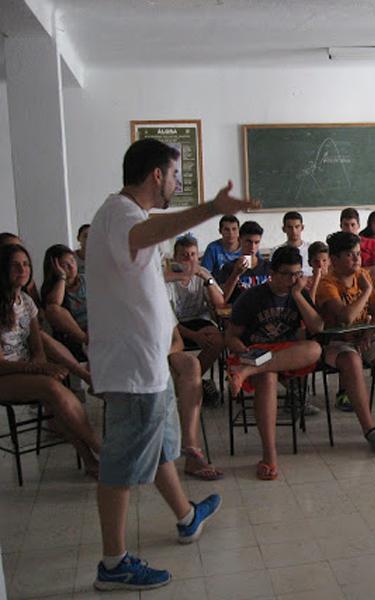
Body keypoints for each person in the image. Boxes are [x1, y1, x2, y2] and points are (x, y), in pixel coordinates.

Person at [87, 138, 255, 590]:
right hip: (133, 366)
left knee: (160, 445)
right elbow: (146, 237)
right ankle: (113, 562)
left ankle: (185, 516)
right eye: (176, 176)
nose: (177, 185)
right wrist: (210, 208)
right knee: (122, 462)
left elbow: (135, 268)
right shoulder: (124, 214)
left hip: (150, 362)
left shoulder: (123, 215)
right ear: (156, 175)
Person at [0, 243, 101, 477]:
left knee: (53, 386)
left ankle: (92, 462)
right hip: (5, 375)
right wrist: (40, 369)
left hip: (26, 370)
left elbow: (37, 346)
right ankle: (101, 451)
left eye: (25, 264)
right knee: (53, 389)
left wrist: (40, 366)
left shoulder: (26, 301)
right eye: (15, 265)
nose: (22, 269)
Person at [224, 246, 323, 480]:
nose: (293, 279)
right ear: (272, 273)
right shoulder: (252, 297)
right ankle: (270, 455)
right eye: (287, 274)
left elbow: (317, 328)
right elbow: (230, 337)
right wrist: (246, 352)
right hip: (256, 351)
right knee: (268, 378)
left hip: (284, 355)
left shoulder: (298, 292)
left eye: (297, 274)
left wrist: (298, 295)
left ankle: (247, 370)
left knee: (315, 348)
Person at [316, 231, 375, 453]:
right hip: (337, 342)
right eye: (349, 255)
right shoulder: (328, 284)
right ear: (335, 259)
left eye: (358, 254)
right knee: (352, 361)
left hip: (365, 337)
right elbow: (345, 317)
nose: (357, 259)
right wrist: (367, 291)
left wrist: (367, 334)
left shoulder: (362, 274)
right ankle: (370, 432)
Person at [0, 234, 92, 385]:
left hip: (31, 338)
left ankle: (89, 376)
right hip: (13, 359)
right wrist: (62, 278)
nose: (22, 268)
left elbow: (36, 312)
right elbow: (49, 308)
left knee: (40, 335)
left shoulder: (25, 296)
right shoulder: (52, 285)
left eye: (25, 263)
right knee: (49, 321)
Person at [166, 235, 226, 396]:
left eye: (193, 255)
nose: (189, 259)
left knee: (218, 340)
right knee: (170, 344)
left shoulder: (203, 273)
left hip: (198, 320)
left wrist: (207, 279)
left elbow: (220, 304)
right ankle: (187, 381)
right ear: (175, 258)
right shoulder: (168, 278)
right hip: (173, 324)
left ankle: (189, 381)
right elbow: (168, 319)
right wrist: (194, 336)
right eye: (184, 255)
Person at [168, 328, 223, 481]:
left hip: (161, 355)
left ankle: (192, 451)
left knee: (192, 364)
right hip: (128, 359)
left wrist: (162, 353)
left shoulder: (160, 304)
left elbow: (177, 341)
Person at [41, 244, 89, 362]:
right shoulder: (52, 289)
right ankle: (88, 341)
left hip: (96, 325)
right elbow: (54, 305)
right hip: (78, 334)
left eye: (73, 261)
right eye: (65, 265)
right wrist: (62, 277)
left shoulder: (86, 279)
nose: (72, 267)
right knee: (53, 309)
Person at [216, 220, 270, 303]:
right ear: (240, 240)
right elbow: (222, 299)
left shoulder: (268, 267)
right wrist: (235, 274)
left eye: (256, 242)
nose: (252, 246)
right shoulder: (228, 267)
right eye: (248, 242)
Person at [200, 215, 241, 279]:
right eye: (227, 229)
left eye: (234, 229)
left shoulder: (248, 246)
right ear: (220, 231)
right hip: (218, 287)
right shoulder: (212, 248)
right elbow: (204, 275)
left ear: (239, 230)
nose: (231, 233)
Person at [280, 211, 312, 276]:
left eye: (297, 227)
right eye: (289, 227)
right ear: (284, 229)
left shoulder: (311, 249)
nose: (294, 231)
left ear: (302, 227)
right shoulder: (278, 251)